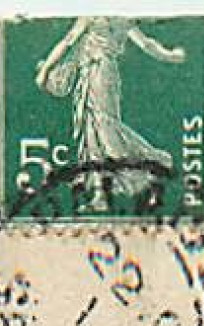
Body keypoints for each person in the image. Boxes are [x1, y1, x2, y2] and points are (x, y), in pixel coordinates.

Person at [35, 17, 186, 210]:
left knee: (102, 132)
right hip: (106, 74)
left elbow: (68, 41)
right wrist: (171, 55)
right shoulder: (123, 18)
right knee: (97, 132)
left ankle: (150, 171)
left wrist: (45, 71)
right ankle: (101, 194)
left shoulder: (92, 15)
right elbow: (147, 44)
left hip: (95, 73)